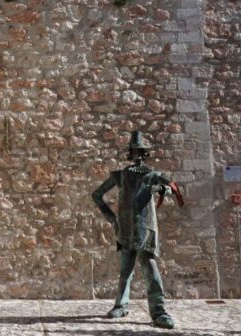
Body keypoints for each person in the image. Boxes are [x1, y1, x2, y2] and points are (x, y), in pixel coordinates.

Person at [91, 131, 182, 330]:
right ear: (130, 154)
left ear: (145, 153)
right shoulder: (121, 176)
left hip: (145, 230)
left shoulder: (151, 175)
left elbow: (168, 189)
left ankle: (158, 311)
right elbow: (97, 195)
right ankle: (121, 305)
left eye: (140, 151)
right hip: (125, 230)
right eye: (134, 151)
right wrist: (112, 218)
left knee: (150, 269)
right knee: (125, 270)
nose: (137, 155)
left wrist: (161, 190)